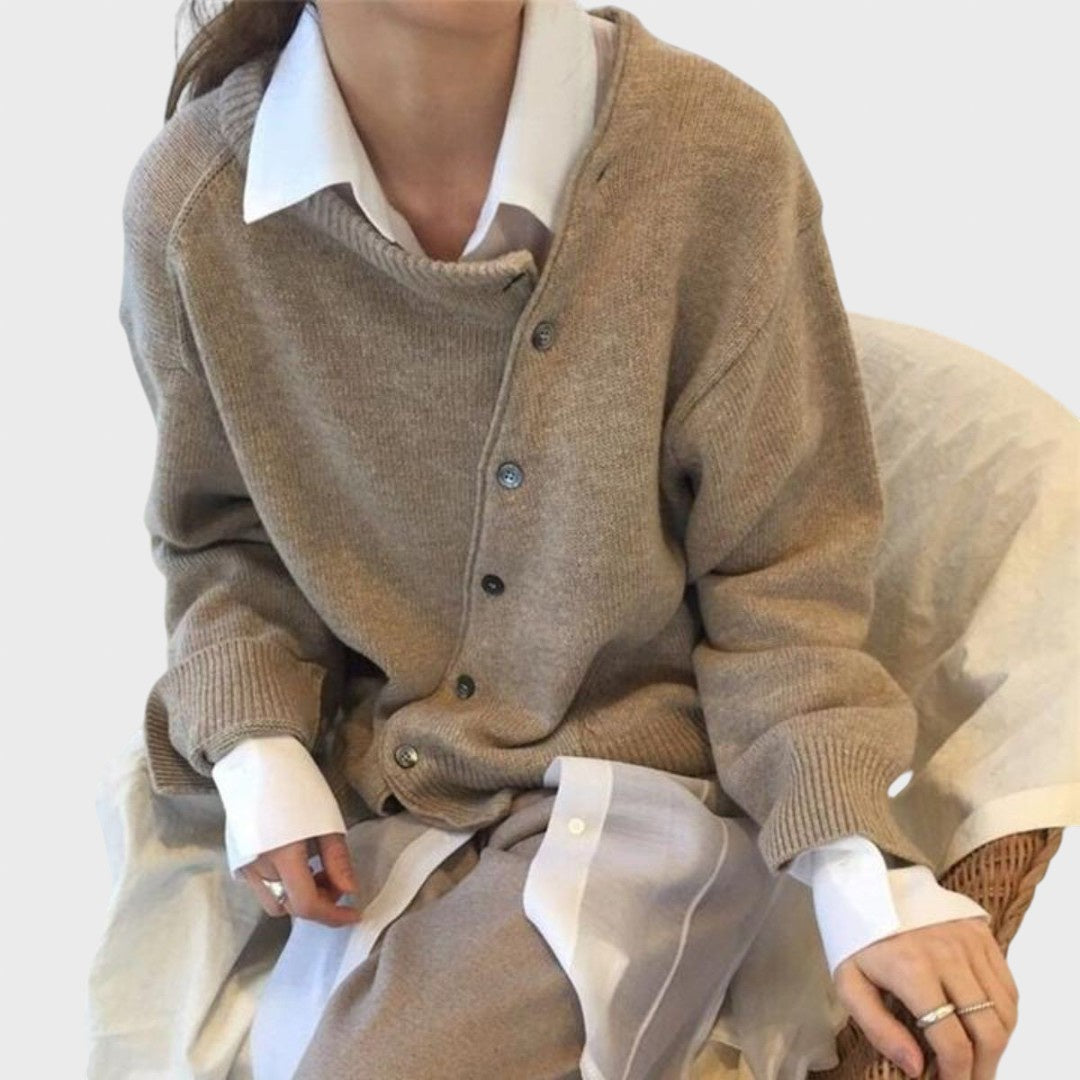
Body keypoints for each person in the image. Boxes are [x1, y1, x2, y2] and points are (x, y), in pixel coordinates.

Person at [99, 1, 1019, 1077]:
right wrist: (257, 745)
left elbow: (781, 577)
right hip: (370, 790)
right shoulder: (198, 207)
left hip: (641, 793)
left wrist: (863, 874)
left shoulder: (710, 155)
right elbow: (225, 536)